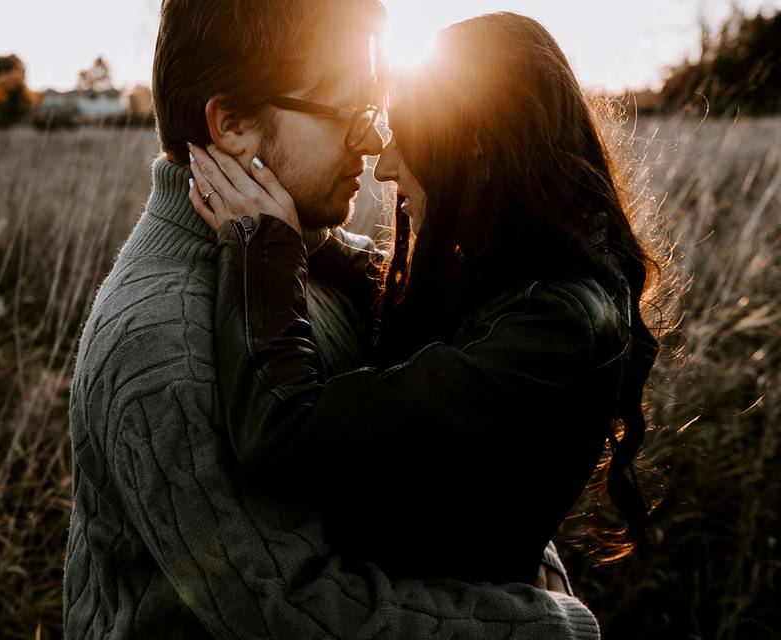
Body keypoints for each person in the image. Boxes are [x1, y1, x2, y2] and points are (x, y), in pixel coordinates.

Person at [64, 2, 600, 638]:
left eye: (372, 112)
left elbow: (461, 445)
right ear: (231, 122)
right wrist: (546, 624)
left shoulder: (316, 262)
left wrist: (531, 558)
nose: (373, 144)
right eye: (347, 113)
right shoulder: (160, 342)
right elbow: (292, 612)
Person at [188, 12, 660, 590]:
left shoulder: (554, 332)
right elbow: (424, 293)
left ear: (479, 152)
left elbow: (285, 433)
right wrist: (306, 229)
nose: (383, 166)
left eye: (408, 137)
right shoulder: (530, 272)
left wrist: (264, 249)